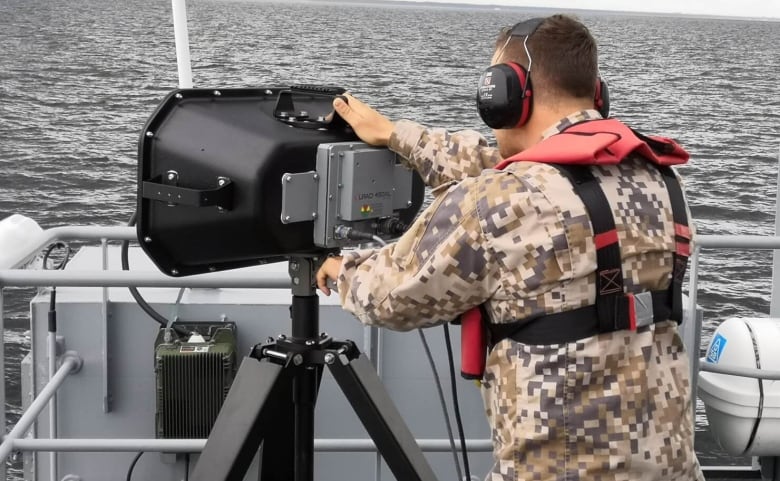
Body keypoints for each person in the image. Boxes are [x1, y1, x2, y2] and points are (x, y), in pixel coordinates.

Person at [316, 14, 704, 481]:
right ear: (595, 93)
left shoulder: (496, 201)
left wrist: (341, 269)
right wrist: (401, 136)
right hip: (669, 466)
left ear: (507, 95)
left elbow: (388, 297)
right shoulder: (661, 179)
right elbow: (524, 172)